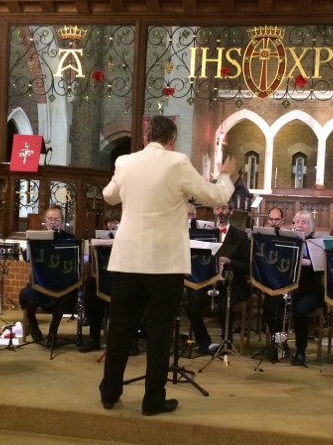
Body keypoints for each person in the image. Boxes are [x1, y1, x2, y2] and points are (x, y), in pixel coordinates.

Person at [99, 115, 236, 416]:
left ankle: (109, 391)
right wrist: (226, 175)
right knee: (160, 330)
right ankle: (152, 400)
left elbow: (108, 195)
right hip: (164, 264)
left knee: (120, 327)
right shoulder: (177, 163)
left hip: (127, 260)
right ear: (171, 140)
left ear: (146, 137)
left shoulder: (125, 162)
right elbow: (216, 196)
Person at [185, 203, 251, 354]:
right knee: (191, 305)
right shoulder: (205, 235)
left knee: (223, 308)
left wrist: (229, 261)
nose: (220, 212)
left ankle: (226, 342)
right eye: (217, 208)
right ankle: (204, 342)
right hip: (208, 282)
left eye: (224, 208)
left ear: (231, 211)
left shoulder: (240, 237)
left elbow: (248, 266)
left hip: (232, 284)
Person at [265, 210, 325, 367]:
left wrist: (308, 262)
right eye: (297, 222)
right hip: (288, 288)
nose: (299, 225)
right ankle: (280, 343)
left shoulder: (316, 243)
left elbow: (322, 269)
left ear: (310, 226)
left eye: (304, 222)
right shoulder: (287, 240)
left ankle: (300, 351)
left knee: (300, 311)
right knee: (270, 307)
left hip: (310, 290)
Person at [20, 205, 76, 347]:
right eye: (50, 219)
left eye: (57, 219)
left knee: (63, 295)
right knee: (27, 295)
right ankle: (32, 323)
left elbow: (76, 258)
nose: (53, 222)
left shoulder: (70, 238)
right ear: (45, 221)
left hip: (61, 282)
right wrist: (30, 243)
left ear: (62, 222)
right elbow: (27, 258)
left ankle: (53, 333)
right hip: (40, 283)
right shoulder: (37, 238)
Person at [80, 208, 121, 353]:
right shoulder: (99, 240)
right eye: (109, 222)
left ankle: (130, 341)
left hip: (121, 281)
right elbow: (92, 262)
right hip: (103, 281)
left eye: (116, 222)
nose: (112, 225)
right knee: (91, 284)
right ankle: (93, 338)